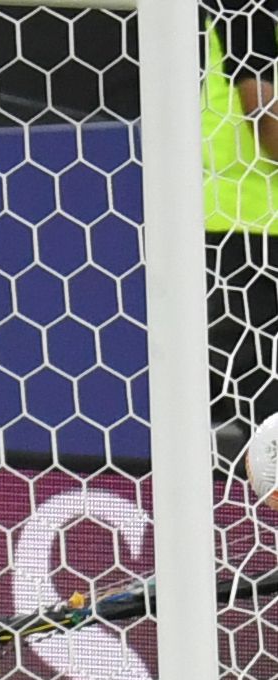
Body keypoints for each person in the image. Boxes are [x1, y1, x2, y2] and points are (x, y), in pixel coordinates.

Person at [213, 8, 278, 453]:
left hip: (251, 223)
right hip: (240, 227)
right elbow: (264, 116)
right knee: (261, 400)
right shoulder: (244, 11)